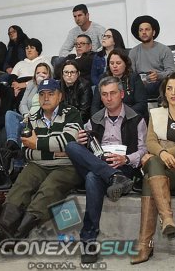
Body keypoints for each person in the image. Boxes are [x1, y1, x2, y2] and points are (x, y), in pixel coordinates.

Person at [0, 78, 83, 247]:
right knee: (22, 184)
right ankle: (4, 228)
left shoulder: (72, 113)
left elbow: (68, 142)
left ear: (60, 96)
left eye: (51, 94)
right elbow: (26, 150)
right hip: (38, 164)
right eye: (42, 94)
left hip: (66, 166)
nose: (46, 98)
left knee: (49, 188)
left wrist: (37, 144)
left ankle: (16, 236)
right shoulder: (32, 118)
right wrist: (53, 149)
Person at [65, 76, 147, 264]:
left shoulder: (136, 118)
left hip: (123, 166)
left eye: (112, 93)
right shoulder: (94, 119)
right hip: (100, 162)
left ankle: (88, 242)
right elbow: (87, 147)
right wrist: (82, 142)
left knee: (92, 177)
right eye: (104, 95)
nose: (108, 98)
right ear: (100, 97)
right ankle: (113, 177)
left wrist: (126, 159)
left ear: (122, 94)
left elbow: (143, 150)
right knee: (71, 146)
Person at [131, 72, 175, 264]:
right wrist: (162, 154)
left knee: (150, 172)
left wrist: (163, 152)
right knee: (153, 167)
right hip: (159, 167)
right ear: (164, 91)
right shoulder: (156, 113)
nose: (173, 93)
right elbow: (150, 141)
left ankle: (145, 245)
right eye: (169, 88)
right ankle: (167, 218)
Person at [3, 62, 52, 177]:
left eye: (44, 73)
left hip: (41, 118)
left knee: (23, 130)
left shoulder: (52, 87)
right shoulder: (31, 85)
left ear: (49, 75)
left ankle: (17, 166)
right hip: (27, 117)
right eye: (38, 73)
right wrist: (26, 115)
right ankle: (12, 143)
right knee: (10, 114)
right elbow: (23, 104)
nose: (41, 75)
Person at [91, 49, 148, 121]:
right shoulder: (103, 78)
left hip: (130, 117)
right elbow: (95, 105)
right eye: (111, 63)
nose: (114, 66)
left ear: (125, 64)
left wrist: (121, 114)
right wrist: (97, 120)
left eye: (118, 63)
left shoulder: (134, 78)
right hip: (107, 117)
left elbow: (141, 104)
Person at [129, 15, 175, 98]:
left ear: (153, 32)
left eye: (147, 29)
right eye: (141, 30)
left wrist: (158, 76)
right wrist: (141, 80)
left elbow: (171, 72)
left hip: (159, 83)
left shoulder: (164, 50)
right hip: (140, 83)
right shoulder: (133, 52)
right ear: (138, 34)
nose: (144, 32)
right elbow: (130, 73)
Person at [59, 60, 92, 124]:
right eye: (66, 72)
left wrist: (69, 123)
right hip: (61, 121)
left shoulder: (84, 86)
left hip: (80, 122)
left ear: (78, 73)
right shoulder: (58, 86)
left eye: (72, 72)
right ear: (62, 74)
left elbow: (84, 112)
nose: (69, 75)